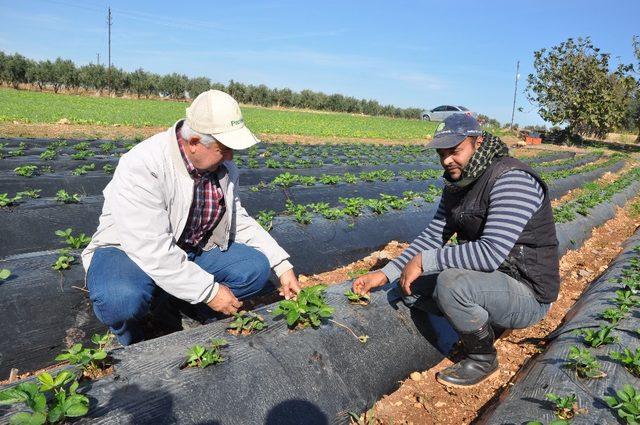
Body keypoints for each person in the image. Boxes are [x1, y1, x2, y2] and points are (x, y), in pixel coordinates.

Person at [353, 114, 559, 387]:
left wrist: (425, 261)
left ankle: (483, 358)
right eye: (442, 153)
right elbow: (433, 236)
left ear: (478, 142)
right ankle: (482, 321)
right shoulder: (457, 184)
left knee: (451, 284)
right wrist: (387, 273)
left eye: (455, 151)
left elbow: (490, 252)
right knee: (409, 286)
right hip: (494, 280)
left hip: (527, 292)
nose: (447, 160)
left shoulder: (512, 179)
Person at [82, 90, 301, 346]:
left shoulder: (222, 167)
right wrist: (209, 291)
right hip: (128, 252)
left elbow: (237, 219)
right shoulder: (144, 165)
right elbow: (151, 248)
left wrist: (282, 266)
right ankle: (132, 343)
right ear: (194, 142)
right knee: (121, 300)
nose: (231, 156)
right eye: (224, 148)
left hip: (187, 248)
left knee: (254, 268)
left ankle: (187, 310)